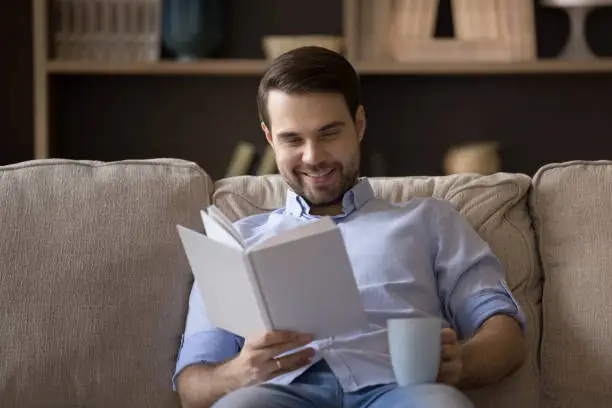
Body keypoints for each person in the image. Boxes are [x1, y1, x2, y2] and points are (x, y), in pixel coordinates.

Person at [173, 46, 526, 408]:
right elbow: (192, 385)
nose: (313, 157)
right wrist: (238, 374)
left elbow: (505, 332)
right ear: (269, 138)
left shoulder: (430, 220)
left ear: (359, 124)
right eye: (292, 139)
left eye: (329, 133)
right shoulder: (237, 241)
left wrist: (463, 363)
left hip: (399, 390)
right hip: (278, 394)